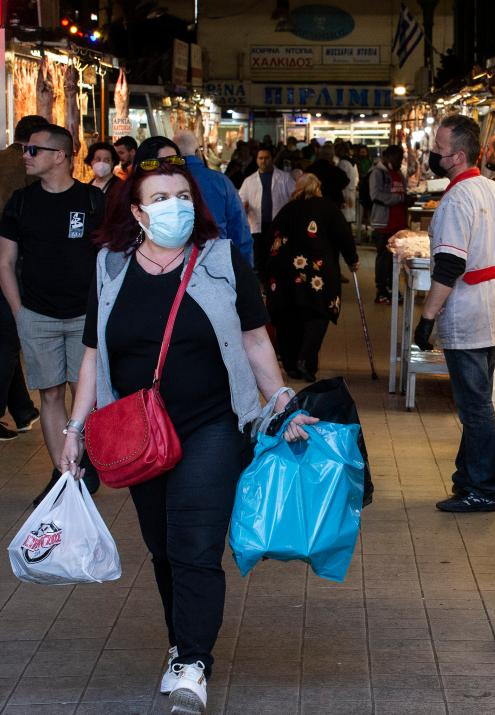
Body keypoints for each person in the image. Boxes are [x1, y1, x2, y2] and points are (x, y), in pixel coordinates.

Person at [59, 158, 317, 715]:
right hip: (136, 432)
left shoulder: (220, 260)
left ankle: (193, 662)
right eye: (159, 198)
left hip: (211, 425)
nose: (174, 206)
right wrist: (74, 429)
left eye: (182, 196)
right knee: (162, 547)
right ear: (136, 211)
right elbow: (92, 354)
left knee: (195, 545)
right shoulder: (109, 266)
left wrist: (280, 402)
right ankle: (182, 643)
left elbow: (254, 340)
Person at [412, 115, 495, 513]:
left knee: (475, 407)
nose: (433, 155)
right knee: (476, 401)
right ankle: (466, 479)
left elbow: (449, 266)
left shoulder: (458, 199)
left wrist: (427, 317)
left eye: (438, 150)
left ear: (457, 156)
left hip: (470, 312)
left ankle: (482, 489)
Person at [0, 123, 105, 501]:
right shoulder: (21, 202)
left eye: (33, 150)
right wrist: (20, 313)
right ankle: (65, 477)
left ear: (59, 156)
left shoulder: (92, 201)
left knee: (86, 395)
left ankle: (82, 464)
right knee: (50, 395)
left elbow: (110, 258)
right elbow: (5, 262)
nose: (25, 156)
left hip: (85, 318)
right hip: (38, 316)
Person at [267, 173, 359, 381]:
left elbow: (270, 239)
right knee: (318, 313)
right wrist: (352, 260)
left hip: (283, 273)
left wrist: (265, 272)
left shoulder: (286, 210)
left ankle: (291, 364)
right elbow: (344, 236)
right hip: (318, 273)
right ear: (318, 188)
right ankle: (306, 359)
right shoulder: (328, 208)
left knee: (287, 315)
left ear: (297, 189)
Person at [0, 115, 48, 441]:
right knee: (7, 341)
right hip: (14, 263)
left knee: (7, 338)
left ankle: (22, 409)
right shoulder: (30, 167)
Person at [174, 130, 253, 264]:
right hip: (218, 261)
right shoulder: (221, 182)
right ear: (198, 152)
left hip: (176, 263)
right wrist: (245, 268)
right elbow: (239, 230)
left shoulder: (164, 183)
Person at [239, 147, 295, 280]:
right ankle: (262, 285)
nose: (263, 161)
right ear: (256, 160)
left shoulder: (285, 178)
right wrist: (244, 206)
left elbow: (295, 196)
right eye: (261, 158)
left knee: (277, 256)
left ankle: (276, 284)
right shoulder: (249, 181)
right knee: (259, 258)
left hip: (278, 225)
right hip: (257, 226)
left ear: (272, 159)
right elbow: (241, 200)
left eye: (266, 158)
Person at [369, 145, 409, 304]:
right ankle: (381, 291)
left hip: (398, 224)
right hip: (384, 223)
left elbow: (402, 192)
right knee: (384, 258)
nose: (400, 162)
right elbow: (376, 195)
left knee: (395, 259)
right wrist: (400, 199)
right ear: (388, 157)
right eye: (398, 158)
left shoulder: (399, 173)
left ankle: (392, 288)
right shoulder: (377, 173)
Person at [305, 142, 349, 209]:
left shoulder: (311, 169)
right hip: (333, 203)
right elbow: (346, 181)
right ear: (332, 155)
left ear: (320, 154)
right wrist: (335, 188)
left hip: (315, 202)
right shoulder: (336, 171)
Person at [336, 141, 360, 225]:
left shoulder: (342, 163)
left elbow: (340, 179)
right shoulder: (353, 162)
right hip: (352, 190)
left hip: (344, 191)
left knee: (344, 216)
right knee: (349, 216)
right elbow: (357, 178)